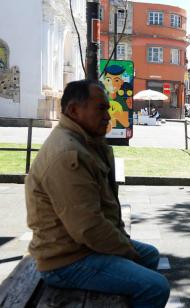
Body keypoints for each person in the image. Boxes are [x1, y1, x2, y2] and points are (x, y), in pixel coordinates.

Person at [25, 80, 170, 307]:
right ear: (74, 110)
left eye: (108, 108)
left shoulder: (84, 140)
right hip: (65, 260)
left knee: (149, 255)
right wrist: (126, 249)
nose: (108, 115)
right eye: (100, 108)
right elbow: (89, 228)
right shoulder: (68, 153)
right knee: (155, 287)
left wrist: (124, 245)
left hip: (78, 246)